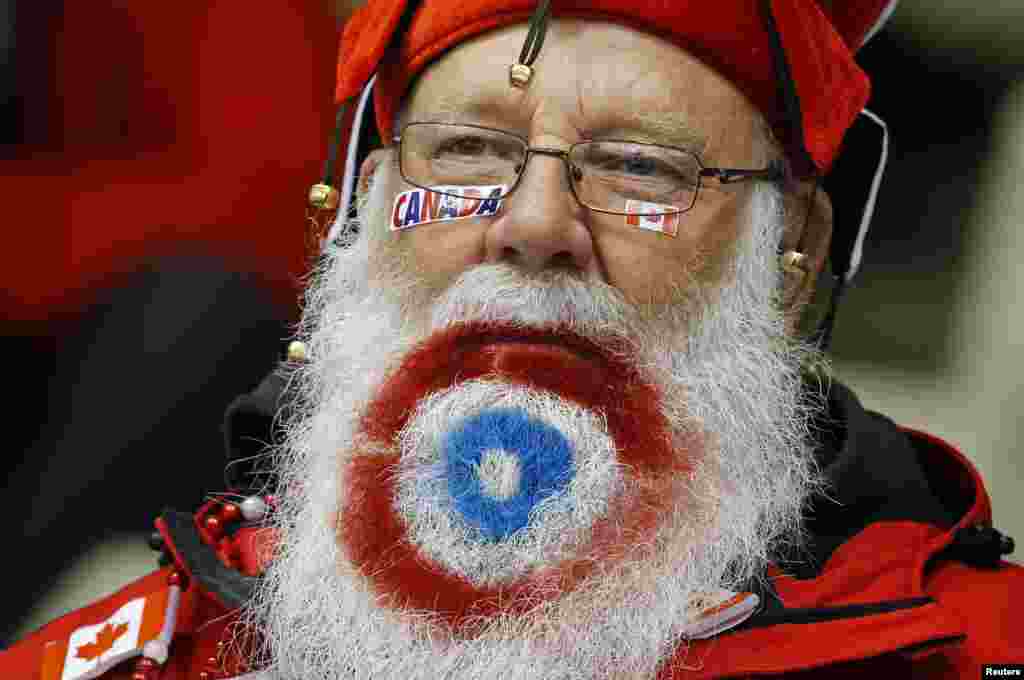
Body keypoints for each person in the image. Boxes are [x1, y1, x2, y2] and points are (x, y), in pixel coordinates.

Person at [4, 1, 1022, 678]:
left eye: (640, 168)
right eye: (468, 150)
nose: (534, 225)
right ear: (359, 210)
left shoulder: (974, 649)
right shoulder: (149, 651)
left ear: (791, 246)